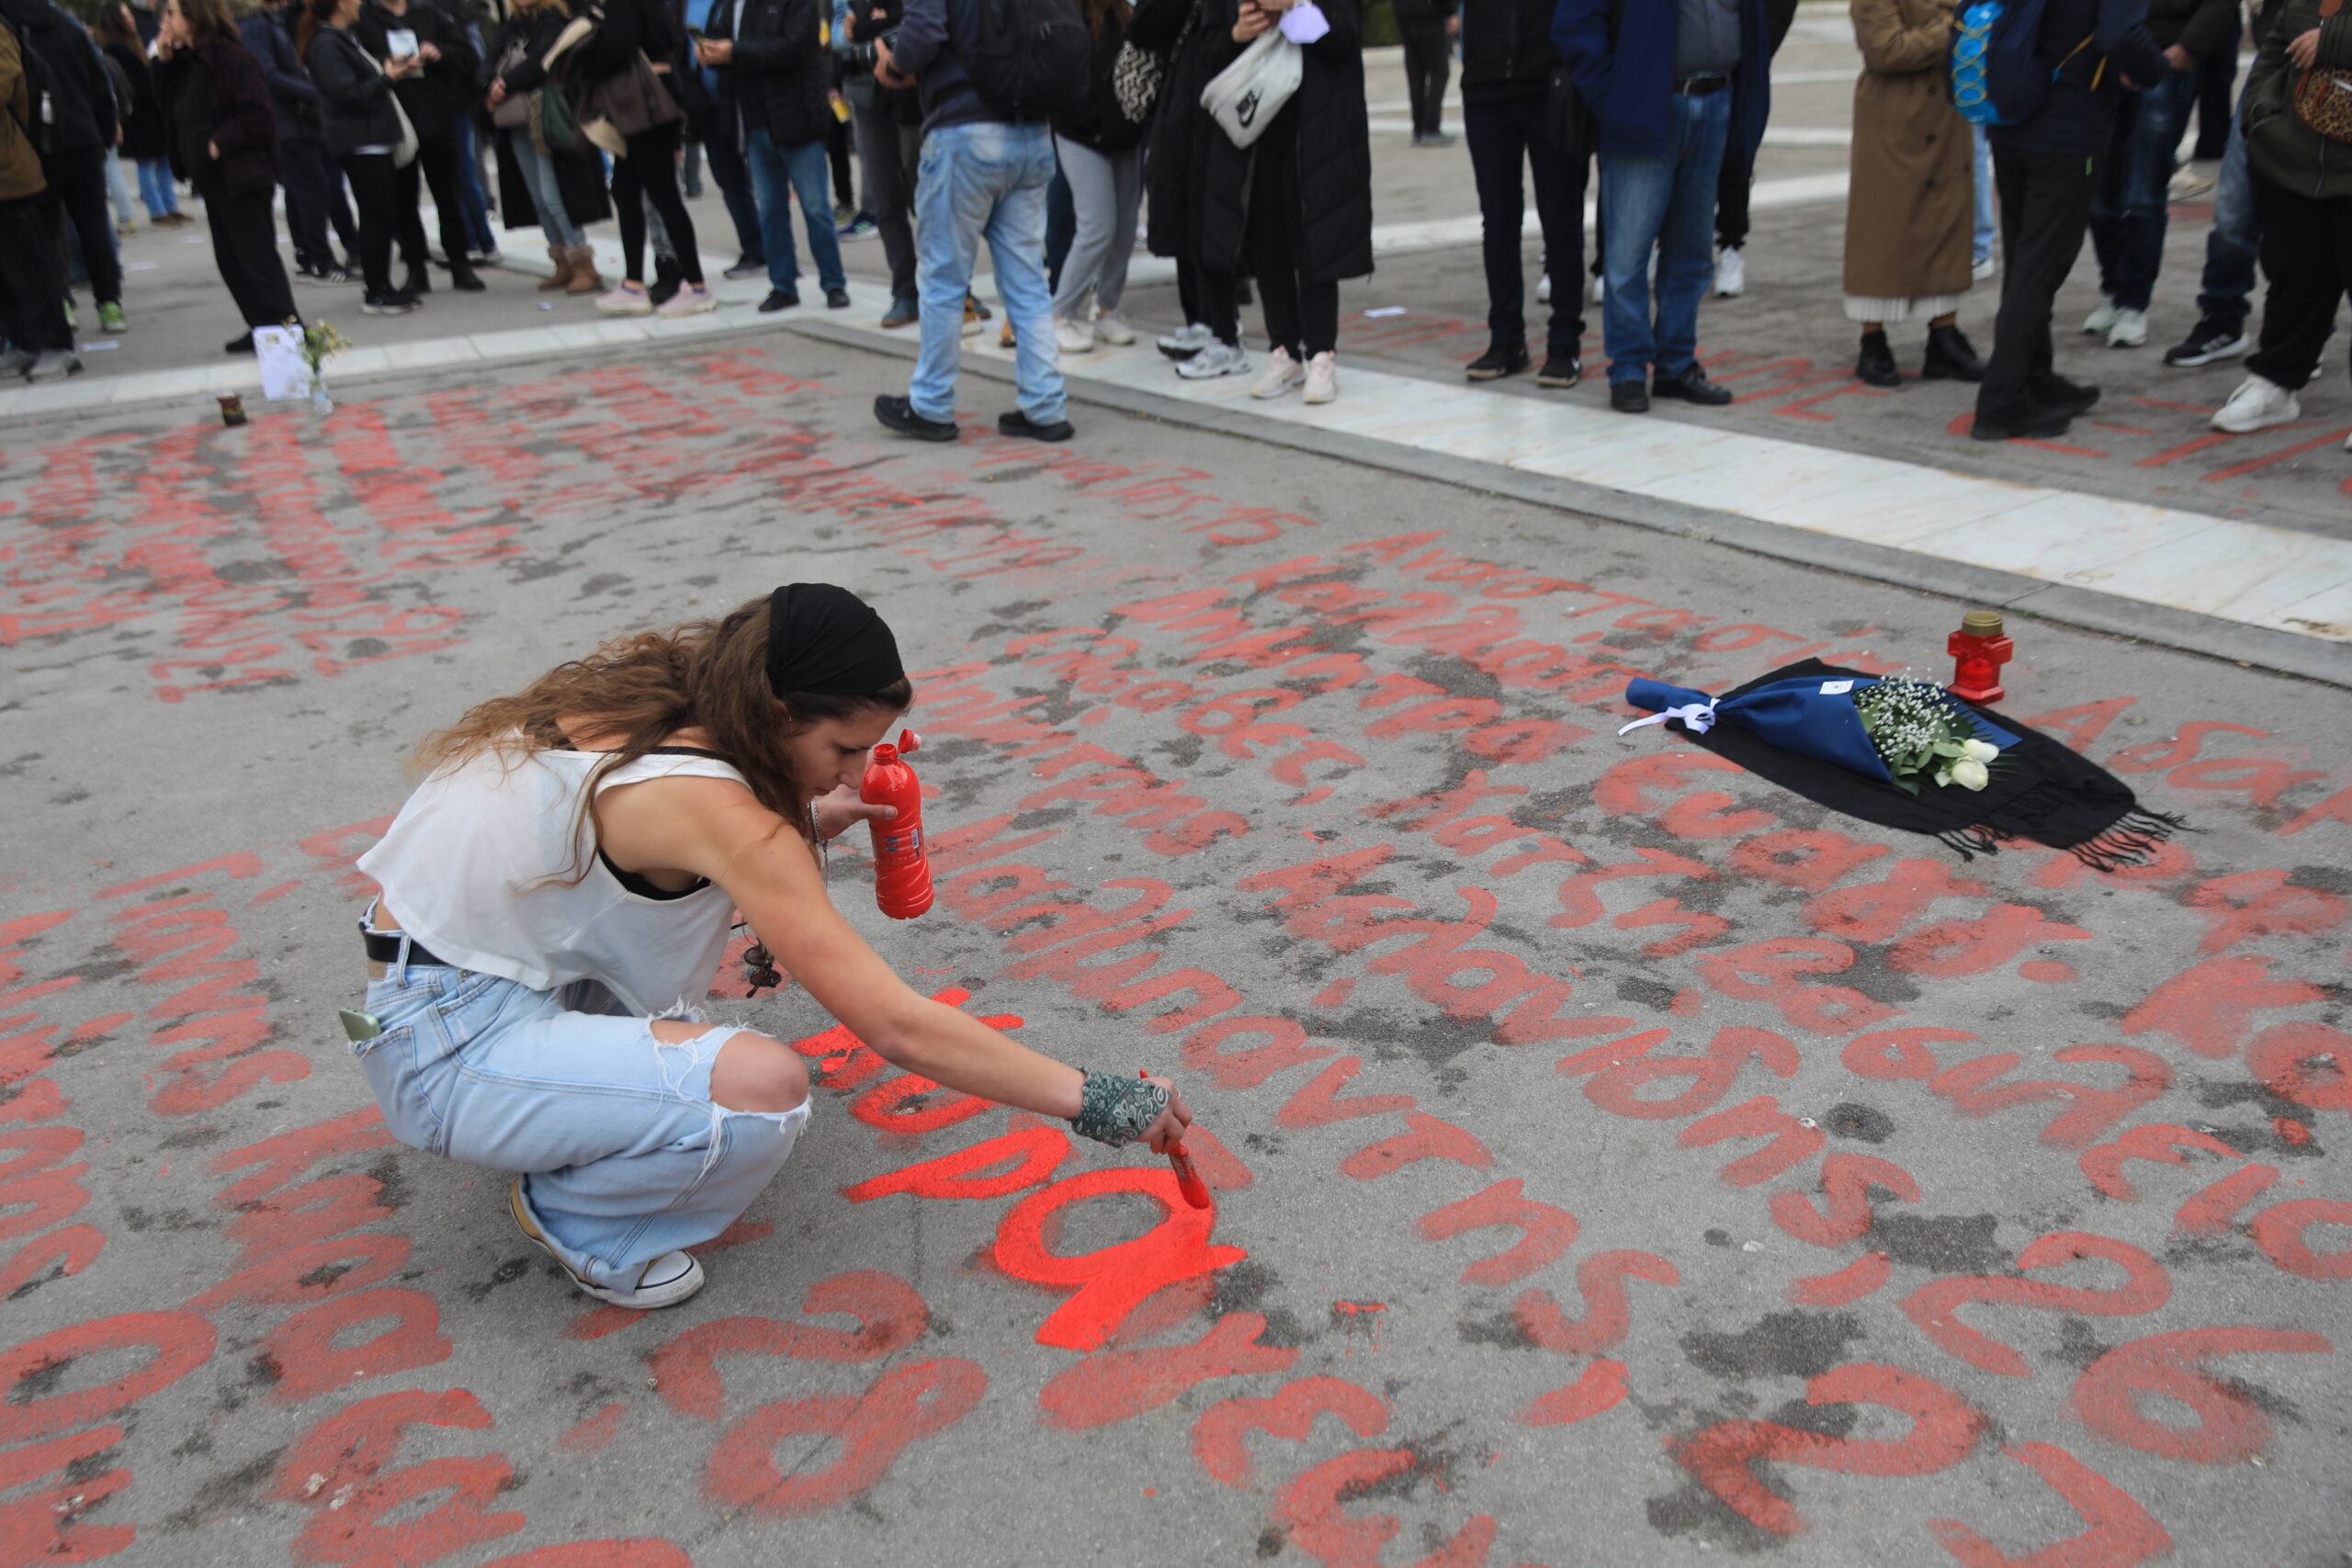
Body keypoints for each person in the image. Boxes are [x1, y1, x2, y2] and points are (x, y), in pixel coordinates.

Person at [343, 586, 1195, 1312]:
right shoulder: (735, 822)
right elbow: (898, 1025)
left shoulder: (673, 707)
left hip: (445, 974)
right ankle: (583, 1221)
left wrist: (805, 815)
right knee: (760, 1092)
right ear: (781, 714)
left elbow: (638, 843)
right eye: (844, 749)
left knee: (690, 1037)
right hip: (444, 1047)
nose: (860, 776)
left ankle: (552, 1125)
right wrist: (1101, 1100)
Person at [868, 0, 1072, 442]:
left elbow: (922, 34)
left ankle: (931, 405)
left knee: (943, 278)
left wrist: (893, 62)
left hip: (964, 133)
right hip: (1032, 132)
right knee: (1028, 280)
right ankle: (1046, 405)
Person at [1554, 0, 1769, 414]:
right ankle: (1629, 368)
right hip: (1647, 106)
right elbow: (1575, 21)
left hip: (1716, 101)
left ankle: (1675, 363)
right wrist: (1612, 95)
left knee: (1691, 253)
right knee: (1628, 255)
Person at [1971, 0, 2163, 442]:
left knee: (2025, 261)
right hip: (2067, 132)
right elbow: (2121, 35)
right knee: (2040, 268)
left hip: (2011, 118)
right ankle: (2001, 401)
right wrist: (2156, 68)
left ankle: (2034, 375)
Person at [1204, 0, 1373, 406]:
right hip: (1257, 133)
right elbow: (1207, 53)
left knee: (1313, 240)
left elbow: (1345, 40)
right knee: (1269, 243)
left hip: (1318, 132)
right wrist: (1236, 35)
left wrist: (1297, 7)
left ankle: (1320, 355)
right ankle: (1284, 350)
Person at [2203, 0, 2352, 436]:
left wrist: (2337, 41)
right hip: (2294, 162)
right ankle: (2275, 383)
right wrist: (2262, 117)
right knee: (2294, 275)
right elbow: (2274, 50)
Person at [1843, 0, 1984, 387]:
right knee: (1883, 231)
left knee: (1947, 226)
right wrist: (1952, 27)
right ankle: (1872, 340)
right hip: (1895, 122)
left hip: (1946, 113)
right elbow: (1886, 50)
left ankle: (1945, 337)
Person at [2080, 0, 2234, 347]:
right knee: (2099, 189)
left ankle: (2133, 302)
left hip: (2166, 59)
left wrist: (2187, 49)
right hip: (2103, 62)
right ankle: (2113, 289)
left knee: (2143, 192)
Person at [155, 0, 300, 349]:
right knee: (231, 262)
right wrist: (163, 62)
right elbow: (167, 110)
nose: (166, 21)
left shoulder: (232, 58)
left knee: (256, 260)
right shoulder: (187, 63)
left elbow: (258, 115)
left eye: (172, 12)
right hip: (212, 179)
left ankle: (288, 332)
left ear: (194, 17)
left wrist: (216, 145)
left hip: (242, 175)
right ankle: (262, 329)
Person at [1458, 0, 1584, 386]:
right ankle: (1506, 340)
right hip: (1484, 88)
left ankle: (1565, 343)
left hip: (1551, 85)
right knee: (1497, 222)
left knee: (1560, 220)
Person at [698, 0, 849, 312]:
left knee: (816, 207)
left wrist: (733, 53)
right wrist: (712, 54)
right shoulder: (730, 6)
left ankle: (834, 283)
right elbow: (730, 46)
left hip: (797, 118)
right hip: (753, 121)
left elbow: (792, 48)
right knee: (770, 210)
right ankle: (783, 284)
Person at [577, 0, 714, 315]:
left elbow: (619, 48)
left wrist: (586, 59)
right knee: (626, 191)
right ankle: (634, 284)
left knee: (663, 195)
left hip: (645, 104)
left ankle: (696, 286)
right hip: (647, 102)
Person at [2164, 0, 2281, 368]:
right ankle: (2222, 318)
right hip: (2272, 63)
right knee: (2233, 207)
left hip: (2330, 71)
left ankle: (2305, 336)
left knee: (2306, 217)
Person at [0, 0, 126, 334]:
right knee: (94, 225)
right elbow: (100, 83)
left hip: (40, 144)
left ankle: (62, 303)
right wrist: (103, 131)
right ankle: (110, 303)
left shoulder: (11, 30)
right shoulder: (70, 29)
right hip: (83, 139)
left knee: (44, 232)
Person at [301, 0, 424, 313]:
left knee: (381, 216)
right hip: (360, 143)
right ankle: (377, 291)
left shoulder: (341, 38)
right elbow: (345, 95)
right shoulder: (327, 42)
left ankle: (383, 286)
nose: (360, 3)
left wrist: (386, 71)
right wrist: (387, 78)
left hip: (372, 141)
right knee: (375, 217)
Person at [357, 0, 483, 294]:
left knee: (449, 195)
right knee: (403, 200)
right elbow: (360, 63)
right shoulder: (366, 19)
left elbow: (467, 55)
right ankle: (416, 267)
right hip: (397, 118)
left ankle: (459, 262)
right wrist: (388, 63)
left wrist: (439, 53)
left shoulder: (432, 13)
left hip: (437, 115)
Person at [484, 0, 608, 295]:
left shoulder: (554, 19)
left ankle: (583, 264)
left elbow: (543, 62)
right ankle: (562, 261)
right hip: (515, 118)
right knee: (539, 198)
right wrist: (491, 83)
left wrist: (503, 85)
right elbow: (489, 59)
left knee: (554, 196)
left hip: (546, 115)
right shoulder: (514, 25)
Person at [1048, 0, 1141, 353]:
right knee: (1097, 227)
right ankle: (1060, 313)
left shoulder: (1124, 11)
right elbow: (1064, 77)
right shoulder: (1067, 14)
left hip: (1124, 135)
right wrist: (1091, 123)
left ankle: (1107, 308)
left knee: (1124, 228)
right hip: (1082, 133)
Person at [232, 0, 345, 283]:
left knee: (301, 191)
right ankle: (319, 260)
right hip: (286, 121)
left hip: (289, 120)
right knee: (313, 188)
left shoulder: (266, 22)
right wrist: (312, 91)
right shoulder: (257, 25)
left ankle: (309, 257)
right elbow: (268, 75)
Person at [0, 14, 78, 380]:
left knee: (30, 264)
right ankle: (23, 342)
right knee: (5, 272)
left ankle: (56, 344)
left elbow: (6, 82)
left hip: (10, 173)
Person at [841, 0, 920, 325]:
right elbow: (839, 33)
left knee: (929, 201)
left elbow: (919, 23)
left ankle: (958, 289)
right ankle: (905, 292)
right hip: (868, 97)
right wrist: (876, 27)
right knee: (887, 202)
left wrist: (866, 28)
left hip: (914, 100)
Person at [1708, 0, 1793, 296]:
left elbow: (1780, 9)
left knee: (1736, 158)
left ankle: (1730, 246)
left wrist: (1757, 45)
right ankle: (1667, 244)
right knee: (1679, 163)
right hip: (1686, 61)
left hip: (1741, 63)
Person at [1394, 0, 1453, 146]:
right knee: (1440, 72)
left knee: (1416, 76)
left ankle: (1418, 127)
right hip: (1429, 14)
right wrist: (1449, 11)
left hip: (1405, 15)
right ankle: (1430, 127)